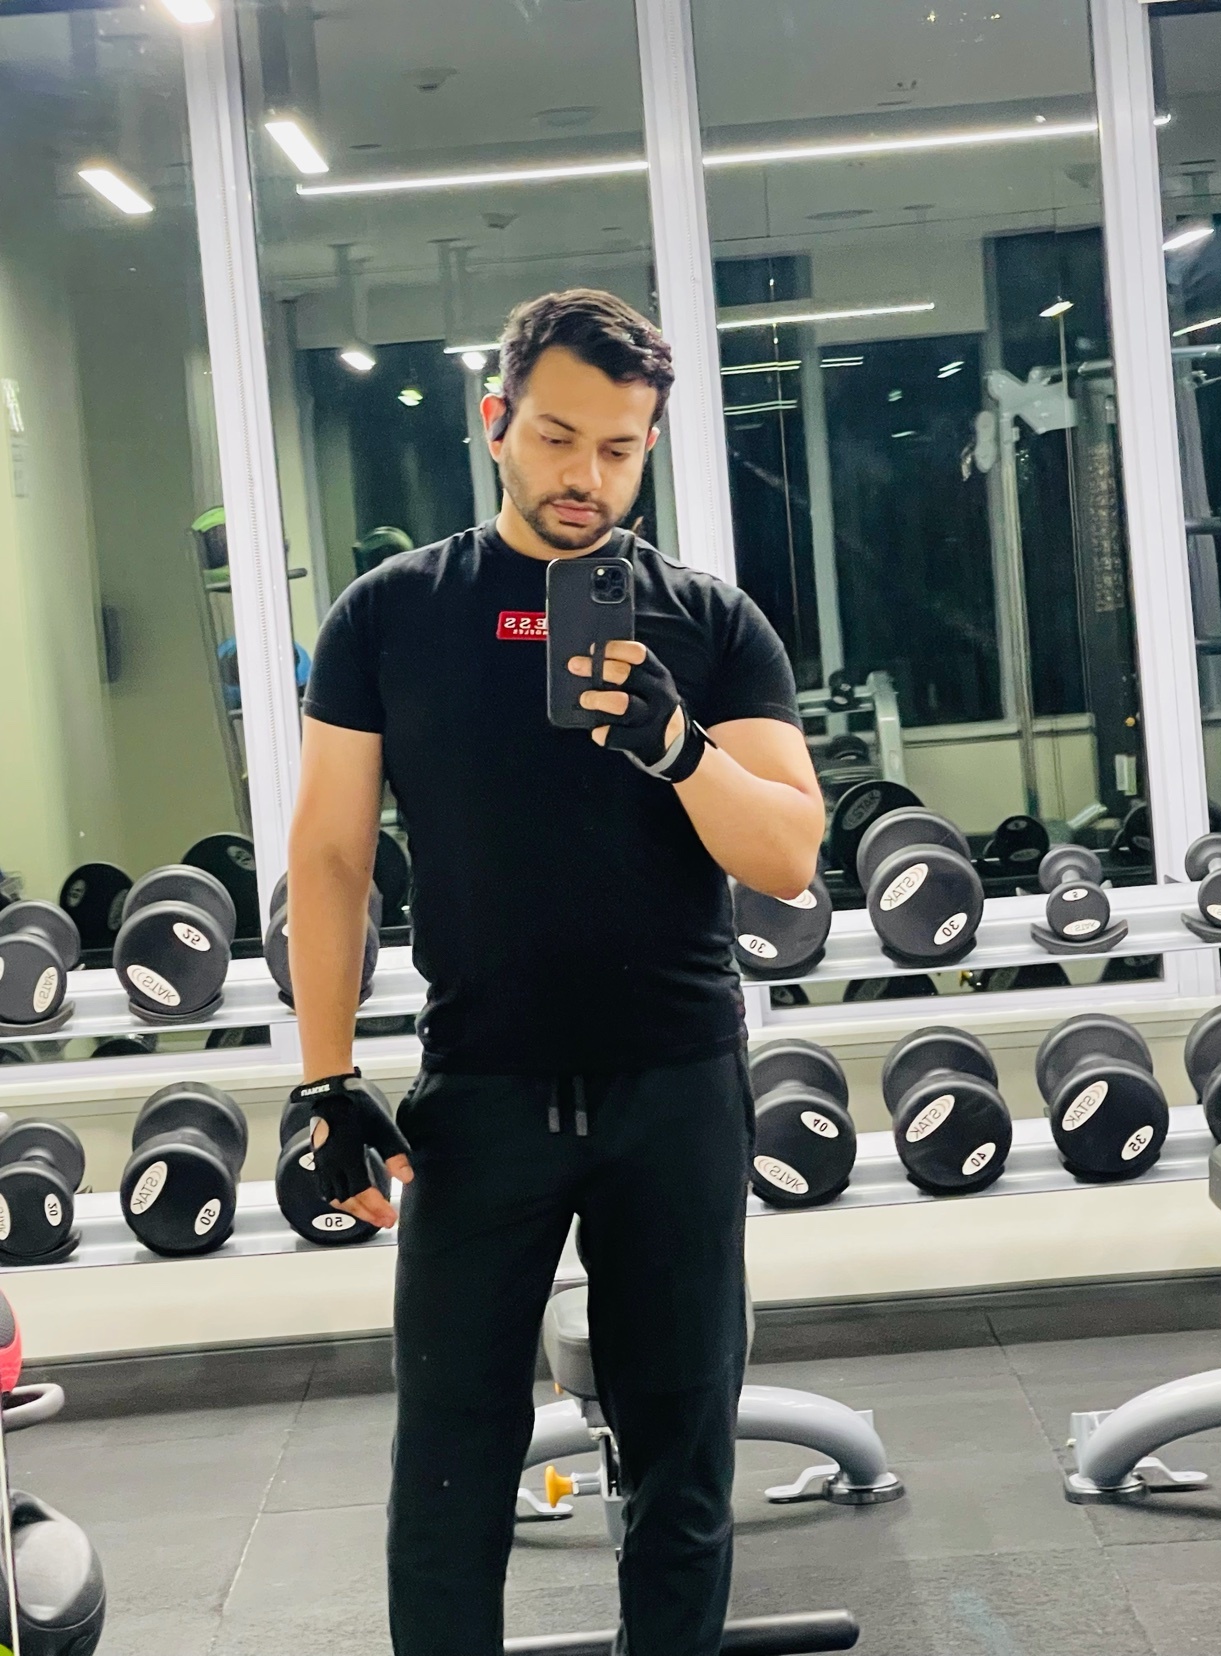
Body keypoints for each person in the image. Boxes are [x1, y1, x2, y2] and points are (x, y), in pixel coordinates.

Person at [284, 288, 824, 1656]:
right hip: (483, 1094)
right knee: (452, 1468)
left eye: (620, 448)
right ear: (496, 422)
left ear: (651, 448)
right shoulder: (391, 616)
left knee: (680, 1462)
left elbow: (787, 856)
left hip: (676, 1089)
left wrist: (677, 746)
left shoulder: (709, 623)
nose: (585, 476)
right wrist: (325, 1074)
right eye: (557, 436)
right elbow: (332, 856)